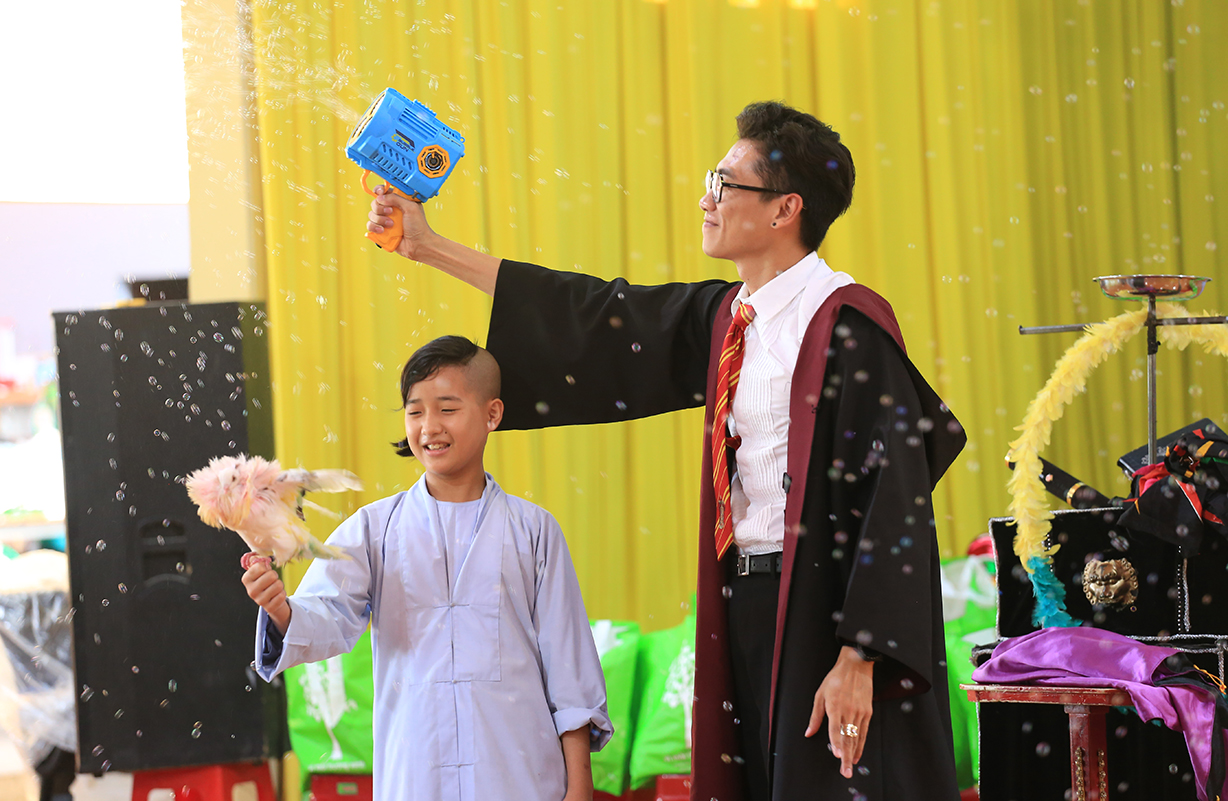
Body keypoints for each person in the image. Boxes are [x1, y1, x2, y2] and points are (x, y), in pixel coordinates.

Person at [367, 101, 966, 801]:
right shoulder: (727, 318)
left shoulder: (846, 324)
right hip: (744, 597)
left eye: (725, 183)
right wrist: (427, 246)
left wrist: (860, 654)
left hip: (824, 611)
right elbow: (595, 315)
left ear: (785, 209)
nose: (707, 198)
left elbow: (894, 499)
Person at [242, 336, 611, 801]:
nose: (429, 427)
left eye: (447, 409)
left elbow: (570, 670)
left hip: (519, 777)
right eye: (415, 412)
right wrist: (281, 609)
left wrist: (580, 787)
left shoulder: (534, 530)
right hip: (417, 776)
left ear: (493, 414)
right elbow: (327, 615)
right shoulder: (374, 529)